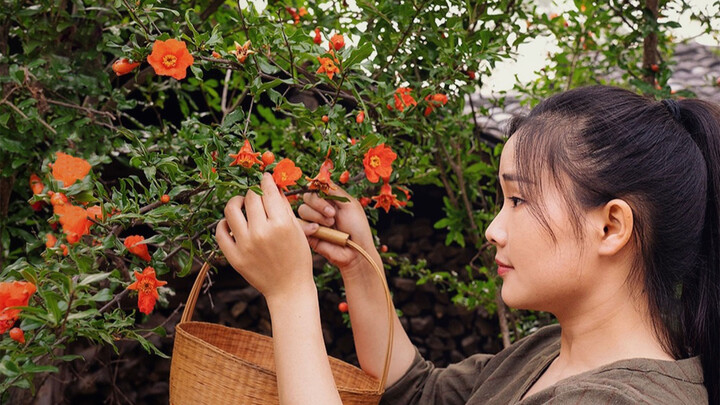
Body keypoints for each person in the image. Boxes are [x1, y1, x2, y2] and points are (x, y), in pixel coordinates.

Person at [215, 85, 719, 404]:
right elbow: (415, 393)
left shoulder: (614, 400)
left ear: (610, 227)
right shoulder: (549, 354)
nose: (493, 230)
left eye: (518, 200)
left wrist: (289, 294)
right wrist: (359, 262)